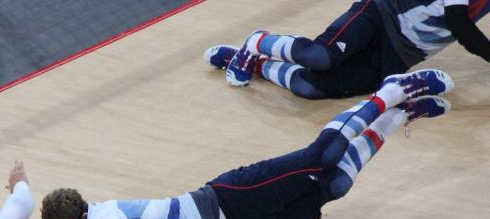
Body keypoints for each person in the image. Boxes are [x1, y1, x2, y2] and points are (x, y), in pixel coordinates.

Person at [3, 71, 453, 219]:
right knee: (334, 186)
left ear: (84, 215)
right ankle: (397, 119)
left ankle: (390, 94)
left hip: (231, 198)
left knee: (319, 158)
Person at [204, 0, 489, 99]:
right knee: (321, 57)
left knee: (311, 89)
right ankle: (257, 41)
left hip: (400, 54)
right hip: (379, 15)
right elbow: (460, 25)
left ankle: (257, 64)